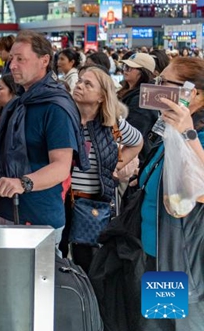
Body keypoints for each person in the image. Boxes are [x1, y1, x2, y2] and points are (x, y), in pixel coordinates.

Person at [0, 31, 88, 250]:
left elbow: (61, 167)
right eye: (11, 59)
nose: (12, 66)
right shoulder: (19, 102)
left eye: (20, 59)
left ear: (44, 60)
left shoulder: (55, 107)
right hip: (8, 210)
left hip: (38, 219)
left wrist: (22, 183)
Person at [139, 57, 204, 327]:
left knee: (179, 322)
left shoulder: (193, 132)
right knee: (159, 320)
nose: (157, 88)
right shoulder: (168, 128)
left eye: (165, 83)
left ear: (194, 93)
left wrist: (187, 132)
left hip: (181, 255)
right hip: (157, 250)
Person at [62, 66, 143, 272]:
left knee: (88, 260)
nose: (79, 85)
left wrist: (117, 164)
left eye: (88, 84)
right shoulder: (64, 118)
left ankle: (90, 301)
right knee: (58, 255)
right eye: (79, 81)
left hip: (93, 203)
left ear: (101, 96)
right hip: (61, 199)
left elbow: (137, 142)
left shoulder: (112, 124)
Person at [117, 53, 159, 164]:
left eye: (130, 68)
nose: (125, 70)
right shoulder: (127, 91)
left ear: (143, 72)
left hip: (132, 158)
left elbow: (134, 132)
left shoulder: (144, 98)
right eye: (125, 67)